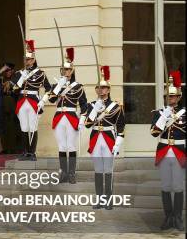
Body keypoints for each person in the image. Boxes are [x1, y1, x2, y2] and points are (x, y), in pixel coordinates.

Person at [40, 47, 88, 183]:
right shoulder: (57, 84)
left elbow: (84, 104)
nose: (65, 71)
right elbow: (52, 100)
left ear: (72, 71)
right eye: (63, 69)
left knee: (71, 146)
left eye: (67, 69)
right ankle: (63, 172)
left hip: (72, 117)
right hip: (59, 117)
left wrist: (82, 120)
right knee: (61, 147)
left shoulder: (78, 87)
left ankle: (72, 173)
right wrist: (58, 86)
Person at [83, 66, 125, 210]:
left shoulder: (116, 107)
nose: (100, 90)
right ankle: (99, 200)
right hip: (95, 138)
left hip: (108, 138)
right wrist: (95, 110)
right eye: (98, 88)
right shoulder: (92, 105)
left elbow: (121, 126)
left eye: (103, 88)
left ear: (108, 90)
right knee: (98, 170)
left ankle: (109, 200)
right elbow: (88, 124)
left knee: (108, 170)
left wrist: (118, 142)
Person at [150, 71, 185, 230]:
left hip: (179, 152)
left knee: (177, 186)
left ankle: (177, 218)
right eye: (168, 96)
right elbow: (154, 133)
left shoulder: (184, 114)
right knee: (165, 185)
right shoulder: (159, 113)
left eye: (173, 97)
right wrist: (164, 117)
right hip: (164, 152)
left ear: (179, 97)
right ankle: (168, 217)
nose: (170, 99)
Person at [11, 40, 52, 160]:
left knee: (33, 128)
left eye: (29, 59)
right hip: (22, 102)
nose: (27, 61)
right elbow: (14, 90)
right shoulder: (19, 73)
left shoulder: (40, 74)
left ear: (33, 60)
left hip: (34, 102)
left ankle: (32, 152)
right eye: (25, 59)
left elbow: (49, 89)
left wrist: (43, 101)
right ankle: (25, 152)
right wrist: (21, 80)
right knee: (24, 127)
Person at [0, 62, 21, 154]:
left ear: (12, 70)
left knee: (12, 126)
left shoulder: (16, 77)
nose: (7, 72)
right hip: (4, 103)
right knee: (4, 126)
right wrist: (1, 71)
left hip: (13, 102)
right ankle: (5, 147)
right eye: (6, 71)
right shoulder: (2, 78)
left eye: (9, 70)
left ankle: (12, 147)